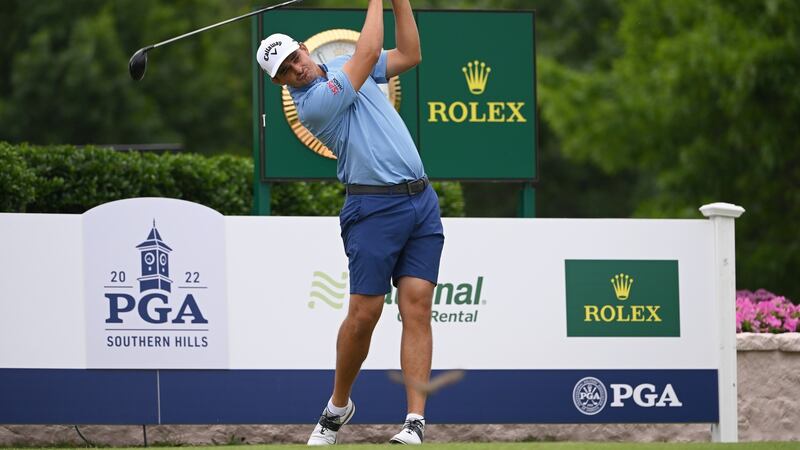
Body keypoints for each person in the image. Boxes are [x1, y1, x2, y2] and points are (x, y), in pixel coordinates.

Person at [256, 0, 443, 445]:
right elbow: (369, 48)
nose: (294, 69)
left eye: (294, 58)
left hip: (421, 200)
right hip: (372, 209)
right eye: (283, 71)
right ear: (279, 82)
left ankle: (414, 422)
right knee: (365, 314)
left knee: (416, 305)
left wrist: (401, 4)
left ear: (305, 49)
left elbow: (409, 55)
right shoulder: (314, 105)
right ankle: (338, 406)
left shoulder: (339, 63)